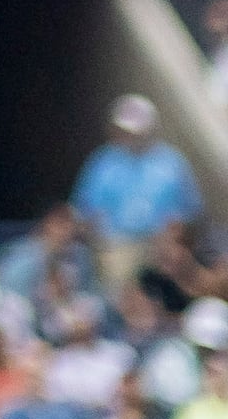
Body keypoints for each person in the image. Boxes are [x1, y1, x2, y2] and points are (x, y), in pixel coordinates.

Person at [73, 97, 198, 284]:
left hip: (161, 245)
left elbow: (191, 211)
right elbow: (85, 212)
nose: (131, 137)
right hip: (117, 245)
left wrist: (172, 235)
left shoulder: (172, 163)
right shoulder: (103, 163)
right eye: (125, 131)